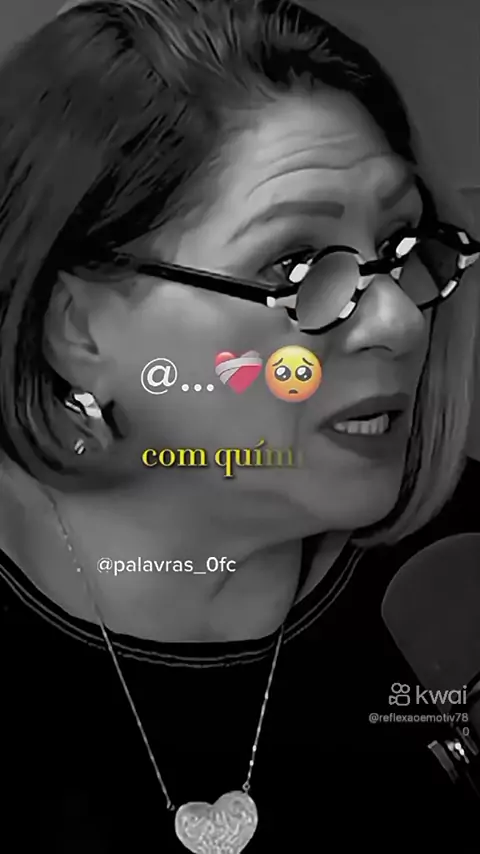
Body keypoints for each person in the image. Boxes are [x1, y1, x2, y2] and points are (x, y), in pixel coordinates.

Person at [0, 0, 479, 850]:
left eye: (402, 245)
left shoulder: (459, 573)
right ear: (78, 330)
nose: (401, 321)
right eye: (295, 265)